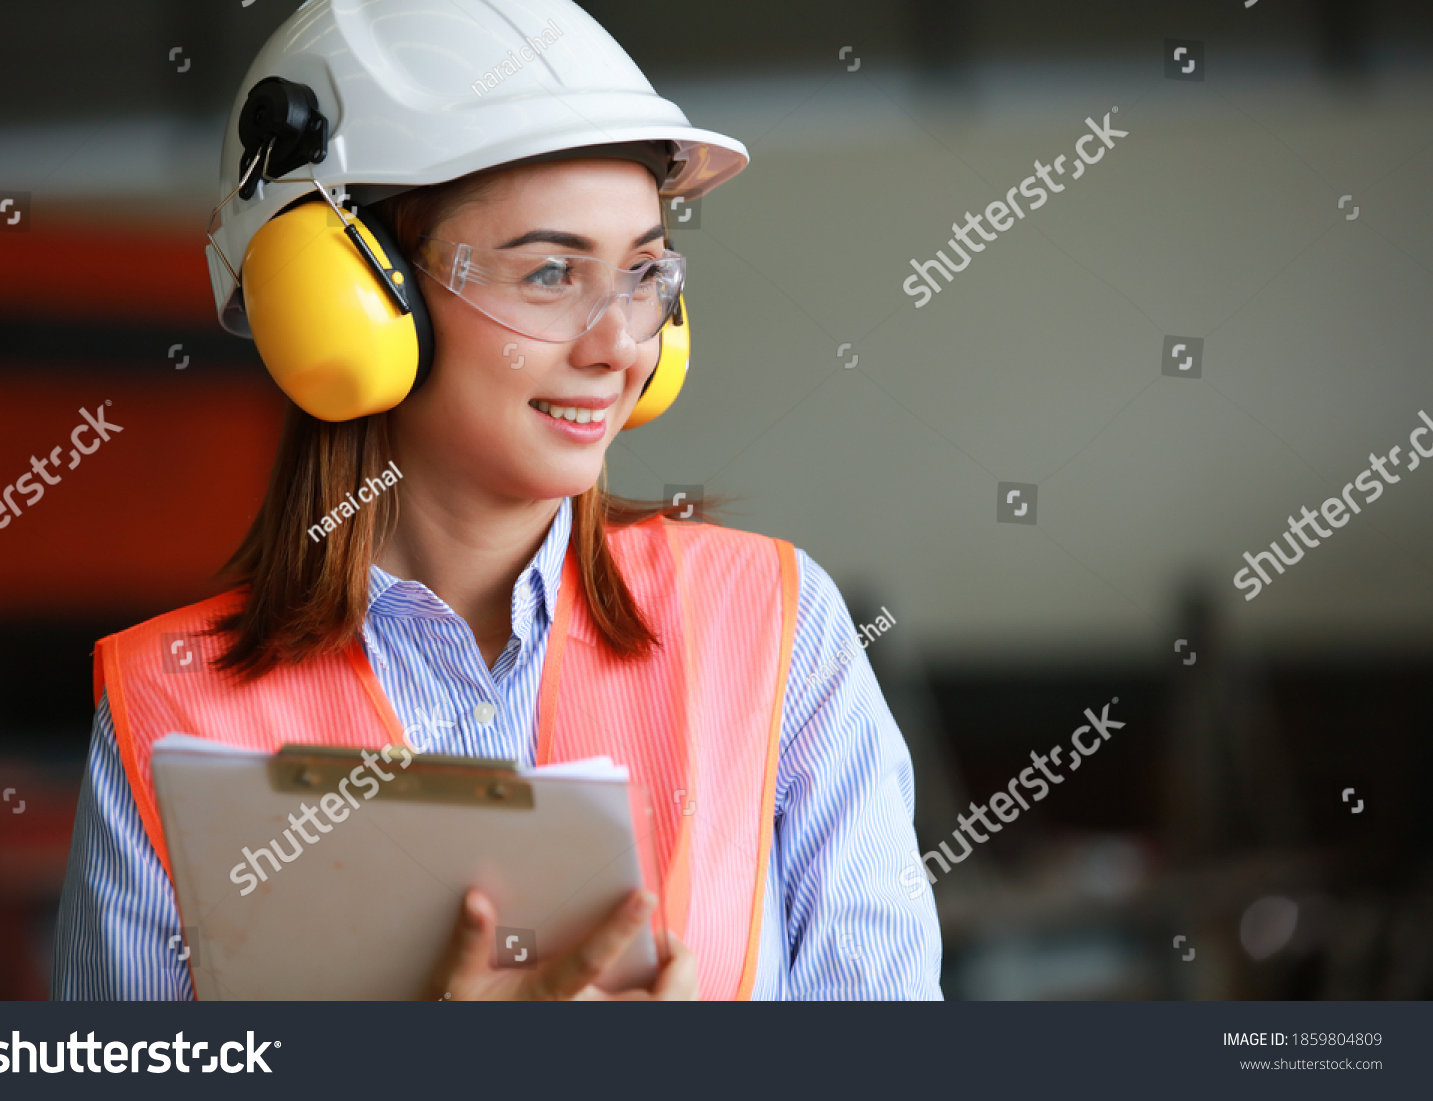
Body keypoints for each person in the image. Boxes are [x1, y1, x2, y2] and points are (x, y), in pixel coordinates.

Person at [52, 0, 942, 1001]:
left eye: (645, 273)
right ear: (346, 297)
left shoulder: (779, 628)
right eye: (552, 271)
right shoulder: (167, 708)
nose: (618, 345)